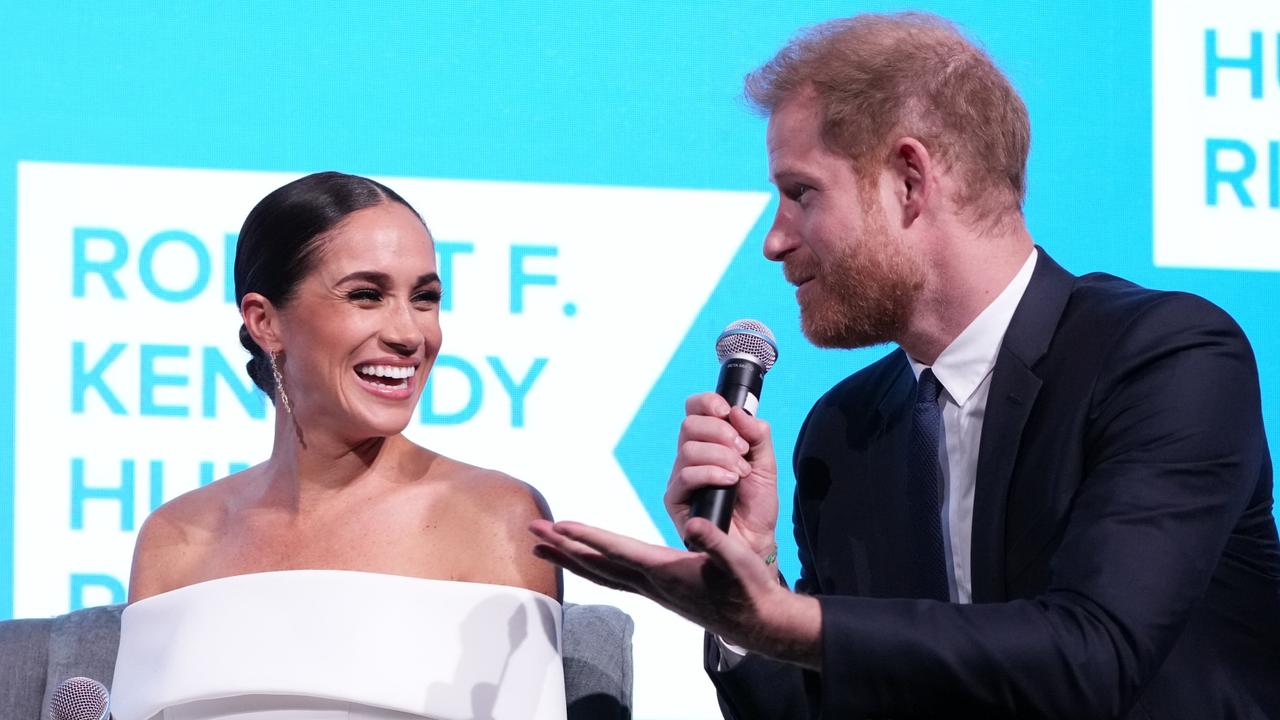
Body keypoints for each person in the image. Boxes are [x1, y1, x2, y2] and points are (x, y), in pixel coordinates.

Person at [531, 12, 1280, 719]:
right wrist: (749, 578)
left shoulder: (1165, 359)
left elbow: (1095, 654)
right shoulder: (846, 431)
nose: (775, 240)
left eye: (800, 194)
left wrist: (791, 619)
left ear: (910, 181)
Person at [113, 172, 566, 720]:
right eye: (366, 296)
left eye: (424, 298)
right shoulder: (174, 540)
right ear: (265, 321)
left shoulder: (494, 518)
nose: (410, 333)